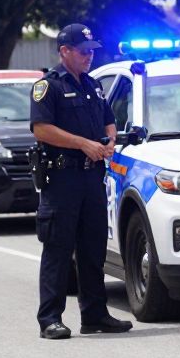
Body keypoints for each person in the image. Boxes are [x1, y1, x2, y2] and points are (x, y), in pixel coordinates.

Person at [30, 24, 133, 339]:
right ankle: (50, 319)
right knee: (59, 249)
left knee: (93, 247)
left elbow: (108, 119)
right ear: (65, 51)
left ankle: (94, 315)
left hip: (91, 177)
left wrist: (110, 139)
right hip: (62, 178)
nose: (90, 56)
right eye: (83, 51)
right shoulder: (49, 87)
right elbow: (41, 128)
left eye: (92, 51)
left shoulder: (92, 85)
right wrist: (83, 143)